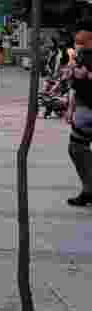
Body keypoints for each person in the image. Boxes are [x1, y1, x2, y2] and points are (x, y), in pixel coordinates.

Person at [65, 28, 92, 207]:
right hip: (84, 108)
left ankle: (88, 188)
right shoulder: (81, 57)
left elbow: (81, 76)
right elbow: (75, 83)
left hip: (87, 109)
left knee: (77, 147)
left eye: (81, 42)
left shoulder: (85, 57)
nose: (78, 45)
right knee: (76, 147)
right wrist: (70, 108)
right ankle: (88, 188)